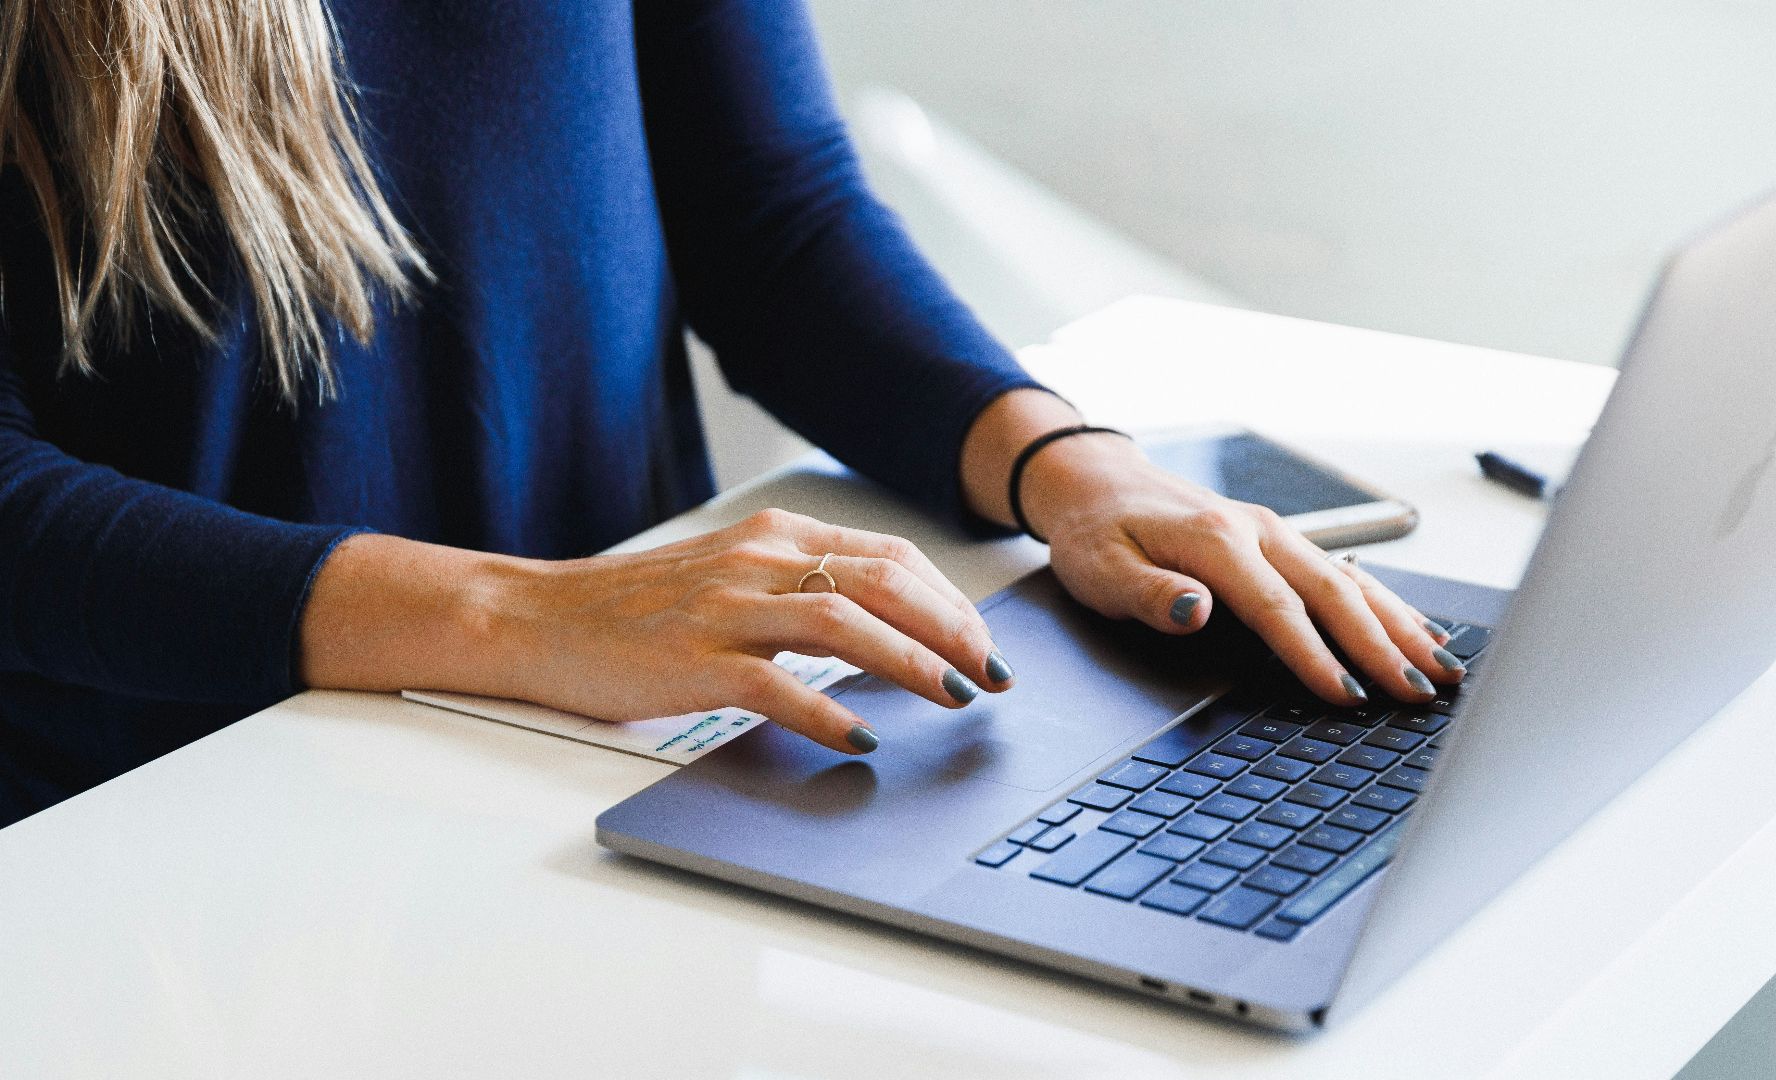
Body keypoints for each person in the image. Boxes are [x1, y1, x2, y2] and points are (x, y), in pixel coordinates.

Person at [0, 0, 1462, 827]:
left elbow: (767, 208)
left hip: (632, 751)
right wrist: (523, 616)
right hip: (181, 814)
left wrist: (1064, 463)